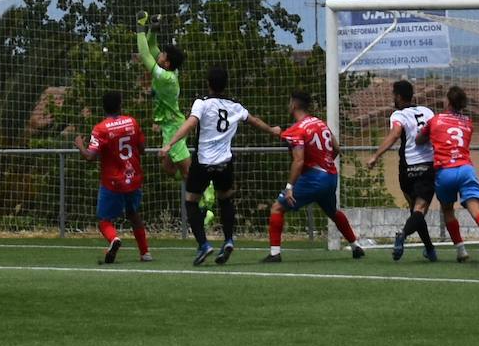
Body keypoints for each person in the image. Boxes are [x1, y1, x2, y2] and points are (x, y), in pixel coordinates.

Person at [162, 65, 280, 265]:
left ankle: (203, 245)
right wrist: (272, 130)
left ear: (208, 83)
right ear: (225, 85)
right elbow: (254, 121)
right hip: (225, 163)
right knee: (225, 199)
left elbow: (190, 124)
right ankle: (228, 240)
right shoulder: (234, 106)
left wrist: (170, 143)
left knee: (191, 201)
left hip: (203, 162)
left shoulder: (202, 103)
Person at [263, 90, 365, 263]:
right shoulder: (320, 123)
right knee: (332, 212)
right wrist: (325, 163)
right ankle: (356, 246)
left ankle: (274, 254)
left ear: (294, 105)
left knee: (277, 208)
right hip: (331, 176)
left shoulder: (296, 130)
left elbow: (298, 161)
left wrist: (289, 187)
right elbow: (337, 149)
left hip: (314, 178)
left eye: (290, 102)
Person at [418, 86, 479, 265]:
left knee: (448, 210)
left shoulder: (435, 120)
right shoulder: (468, 123)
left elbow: (419, 139)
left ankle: (461, 250)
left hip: (445, 171)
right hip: (465, 169)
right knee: (476, 210)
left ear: (448, 102)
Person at [74, 91, 151, 264]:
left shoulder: (100, 129)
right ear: (120, 105)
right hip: (133, 178)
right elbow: (142, 149)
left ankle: (114, 238)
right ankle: (145, 252)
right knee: (133, 214)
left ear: (103, 107)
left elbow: (90, 157)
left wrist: (80, 145)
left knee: (104, 220)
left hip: (113, 182)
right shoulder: (132, 122)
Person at [365, 80, 438, 262]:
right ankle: (403, 234)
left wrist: (376, 155)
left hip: (406, 169)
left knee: (415, 211)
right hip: (426, 166)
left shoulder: (398, 114)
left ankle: (430, 249)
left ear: (398, 96)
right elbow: (437, 133)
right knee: (419, 211)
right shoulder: (428, 112)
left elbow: (395, 133)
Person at [136, 12, 191, 186]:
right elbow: (152, 47)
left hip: (174, 126)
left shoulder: (165, 77)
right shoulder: (169, 70)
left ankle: (207, 195)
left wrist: (140, 27)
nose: (159, 54)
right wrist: (153, 30)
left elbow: (145, 54)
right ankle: (197, 188)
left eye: (163, 55)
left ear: (166, 63)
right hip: (170, 124)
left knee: (188, 171)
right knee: (168, 168)